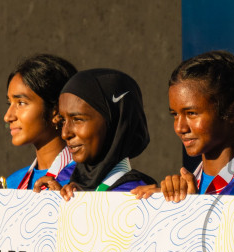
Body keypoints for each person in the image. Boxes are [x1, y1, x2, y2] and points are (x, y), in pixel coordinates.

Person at [136, 50, 234, 201]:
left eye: (191, 113)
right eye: (175, 115)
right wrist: (161, 206)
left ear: (232, 113)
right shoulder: (182, 191)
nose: (180, 128)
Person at [39, 68, 157, 197]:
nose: (64, 134)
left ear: (114, 122)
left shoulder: (137, 195)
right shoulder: (62, 179)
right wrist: (55, 203)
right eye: (63, 120)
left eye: (78, 119)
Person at [0, 53, 78, 192]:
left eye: (21, 103)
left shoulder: (83, 184)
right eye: (10, 103)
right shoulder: (12, 184)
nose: (7, 117)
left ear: (56, 111)